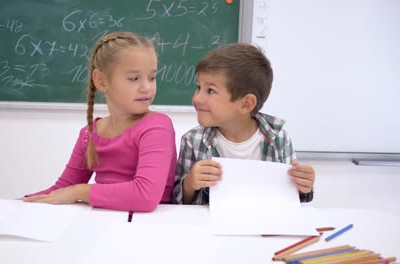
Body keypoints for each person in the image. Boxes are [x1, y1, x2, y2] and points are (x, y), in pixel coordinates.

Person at [24, 32, 177, 212]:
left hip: (146, 228)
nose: (147, 87)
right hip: (101, 225)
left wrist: (79, 191)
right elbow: (61, 191)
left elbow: (145, 196)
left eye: (152, 77)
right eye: (134, 78)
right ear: (102, 81)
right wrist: (14, 204)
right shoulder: (89, 133)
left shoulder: (157, 127)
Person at [172, 43, 315, 205]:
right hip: (210, 227)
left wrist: (304, 186)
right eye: (198, 87)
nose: (196, 98)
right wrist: (189, 184)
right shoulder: (192, 141)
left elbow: (293, 199)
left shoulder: (279, 140)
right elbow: (178, 203)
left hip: (263, 226)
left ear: (246, 104)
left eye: (210, 90)